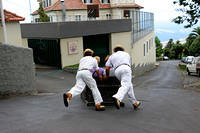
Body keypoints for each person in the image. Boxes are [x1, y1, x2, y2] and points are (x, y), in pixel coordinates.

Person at [105, 45, 140, 109]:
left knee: (129, 85)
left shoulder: (112, 56)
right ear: (122, 50)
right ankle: (117, 97)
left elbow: (107, 68)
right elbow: (128, 63)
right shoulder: (126, 54)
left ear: (115, 51)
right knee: (125, 84)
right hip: (125, 68)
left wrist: (107, 76)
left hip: (117, 71)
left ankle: (135, 103)